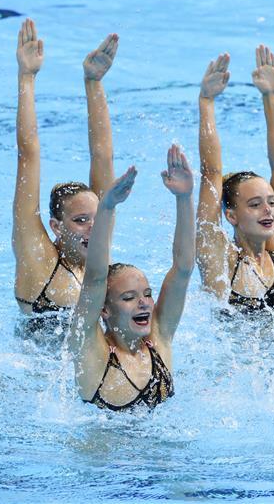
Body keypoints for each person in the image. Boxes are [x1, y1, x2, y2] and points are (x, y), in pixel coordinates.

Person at [69, 146, 195, 411]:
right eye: (128, 297)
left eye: (147, 294)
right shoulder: (92, 350)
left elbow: (183, 269)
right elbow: (94, 277)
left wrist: (184, 198)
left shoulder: (158, 337)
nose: (144, 303)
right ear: (104, 309)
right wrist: (107, 207)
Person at [12, 18, 118, 317]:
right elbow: (27, 156)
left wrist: (94, 83)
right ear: (56, 227)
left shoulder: (97, 252)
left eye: (97, 218)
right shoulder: (38, 258)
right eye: (82, 220)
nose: (95, 228)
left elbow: (103, 157)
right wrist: (27, 78)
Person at [195, 47, 274, 313]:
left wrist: (270, 96)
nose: (268, 211)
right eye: (254, 204)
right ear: (231, 215)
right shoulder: (219, 258)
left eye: (271, 203)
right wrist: (206, 102)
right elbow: (211, 173)